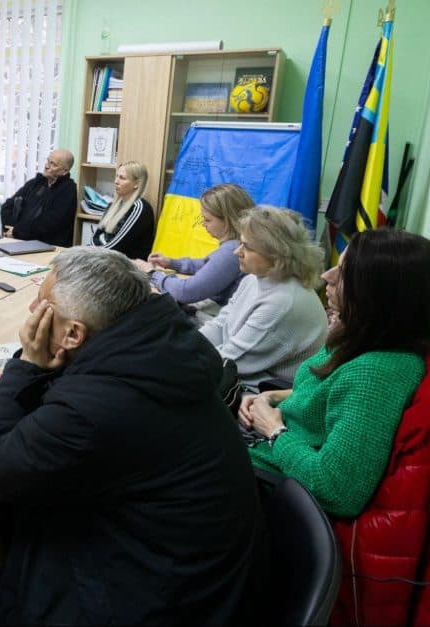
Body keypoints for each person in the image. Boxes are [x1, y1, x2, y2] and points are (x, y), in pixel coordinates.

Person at [0, 246, 267, 624]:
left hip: (151, 602)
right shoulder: (162, 351)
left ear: (74, 334)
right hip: (196, 578)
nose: (32, 311)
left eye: (43, 304)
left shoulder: (94, 410)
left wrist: (27, 364)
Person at [239, 229, 430, 517]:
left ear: (379, 293)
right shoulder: (359, 336)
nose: (326, 277)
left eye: (343, 273)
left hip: (267, 485)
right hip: (260, 450)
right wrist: (272, 397)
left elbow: (335, 490)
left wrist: (275, 431)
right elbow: (330, 394)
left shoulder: (376, 375)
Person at [199, 206, 327, 390]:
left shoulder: (283, 302)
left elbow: (231, 360)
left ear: (277, 254)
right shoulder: (255, 278)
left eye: (248, 247)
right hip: (240, 379)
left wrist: (180, 356)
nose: (237, 252)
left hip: (264, 396)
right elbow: (221, 325)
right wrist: (187, 345)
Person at [132, 182, 252, 319]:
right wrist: (171, 262)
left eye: (207, 220)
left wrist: (152, 273)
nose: (203, 224)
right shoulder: (235, 245)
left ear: (228, 220)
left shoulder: (232, 250)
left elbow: (185, 292)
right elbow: (207, 265)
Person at [0, 149, 77, 247]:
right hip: (18, 240)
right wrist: (11, 231)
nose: (47, 166)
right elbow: (8, 206)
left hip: (48, 246)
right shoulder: (36, 182)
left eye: (53, 164)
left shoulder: (68, 190)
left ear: (64, 171)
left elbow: (48, 224)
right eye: (48, 161)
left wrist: (18, 232)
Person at [89, 160, 154, 260]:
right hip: (105, 259)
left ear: (136, 184)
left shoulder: (140, 209)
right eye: (116, 176)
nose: (116, 181)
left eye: (122, 178)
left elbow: (116, 246)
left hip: (126, 267)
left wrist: (89, 254)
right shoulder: (112, 205)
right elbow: (96, 235)